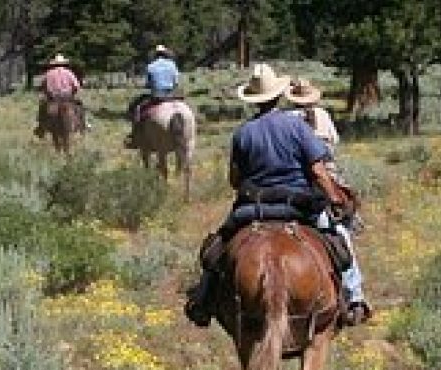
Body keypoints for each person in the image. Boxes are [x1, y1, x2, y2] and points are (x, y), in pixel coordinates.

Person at [184, 63, 368, 328]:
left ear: (253, 100)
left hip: (252, 208)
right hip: (298, 206)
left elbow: (234, 180)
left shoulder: (243, 133)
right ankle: (354, 300)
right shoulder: (297, 128)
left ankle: (203, 299)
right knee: (340, 239)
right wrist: (335, 198)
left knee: (218, 248)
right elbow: (317, 170)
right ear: (279, 95)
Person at [286, 77, 371, 324]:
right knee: (340, 234)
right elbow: (330, 151)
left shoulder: (284, 119)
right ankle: (355, 296)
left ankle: (206, 292)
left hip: (289, 184)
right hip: (317, 184)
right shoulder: (321, 116)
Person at [126, 43, 180, 148]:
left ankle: (135, 135)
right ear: (165, 54)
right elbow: (176, 82)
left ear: (155, 55)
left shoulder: (151, 66)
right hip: (171, 94)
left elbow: (148, 83)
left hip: (157, 95)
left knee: (138, 109)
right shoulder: (172, 64)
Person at [34, 53, 86, 136]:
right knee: (80, 107)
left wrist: (46, 92)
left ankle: (41, 127)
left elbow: (42, 86)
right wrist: (73, 93)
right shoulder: (69, 73)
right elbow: (76, 86)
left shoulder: (48, 73)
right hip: (67, 97)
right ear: (64, 64)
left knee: (42, 108)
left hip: (53, 98)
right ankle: (83, 125)